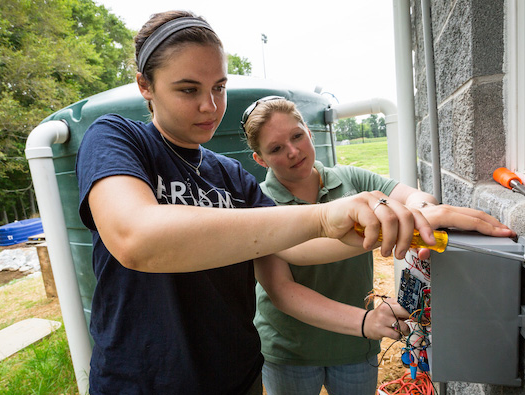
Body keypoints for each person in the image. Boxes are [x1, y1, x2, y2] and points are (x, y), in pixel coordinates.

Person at [75, 10, 441, 395]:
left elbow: (295, 245)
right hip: (146, 382)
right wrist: (323, 217)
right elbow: (136, 238)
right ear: (145, 86)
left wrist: (407, 223)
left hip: (237, 376)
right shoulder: (118, 139)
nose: (210, 106)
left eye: (218, 87)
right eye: (188, 89)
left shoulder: (230, 176)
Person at [242, 96, 516, 395]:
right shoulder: (260, 204)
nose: (294, 152)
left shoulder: (350, 179)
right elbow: (283, 291)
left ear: (308, 130)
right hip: (291, 350)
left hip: (355, 347)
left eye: (297, 136)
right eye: (276, 149)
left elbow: (415, 197)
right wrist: (366, 321)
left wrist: (421, 213)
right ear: (260, 159)